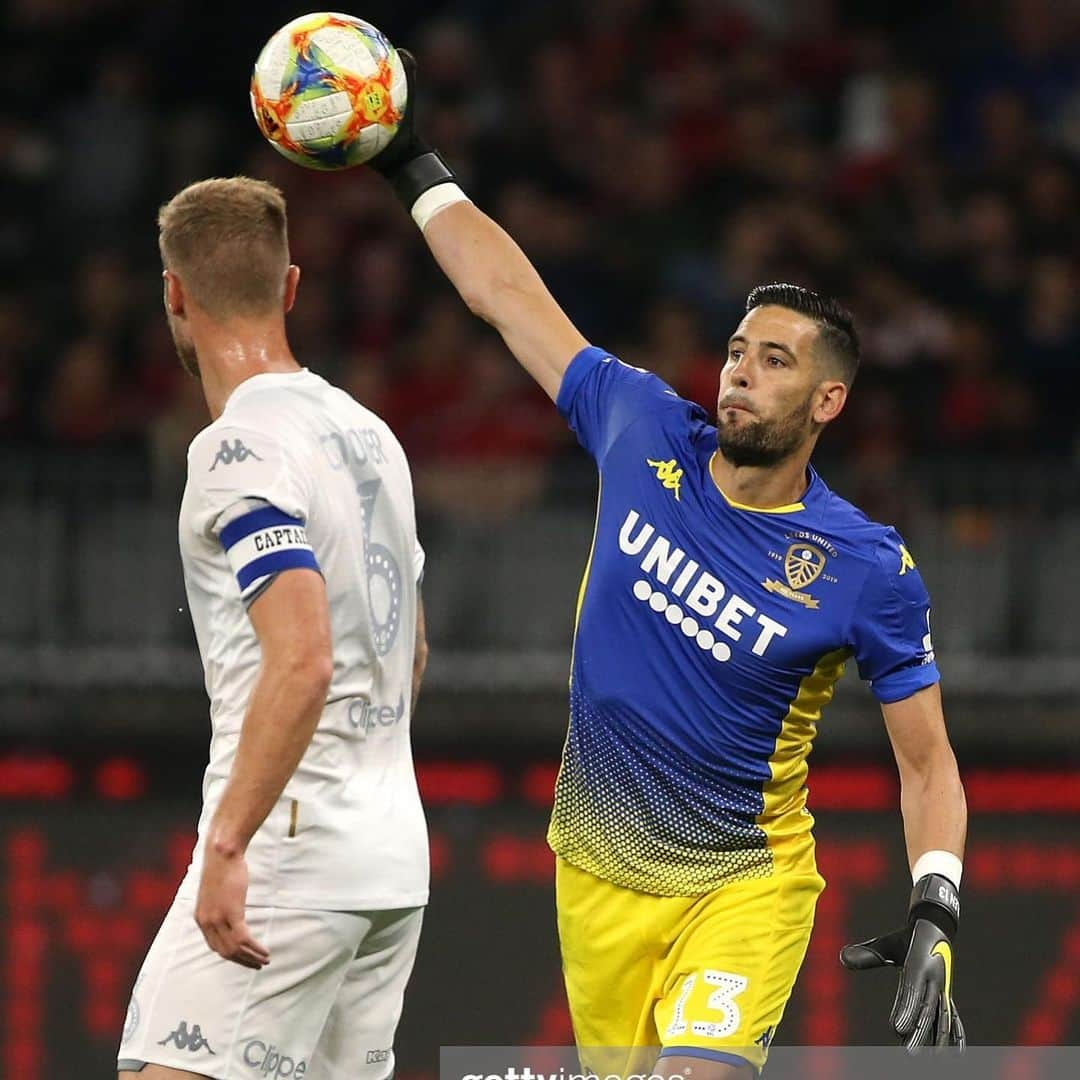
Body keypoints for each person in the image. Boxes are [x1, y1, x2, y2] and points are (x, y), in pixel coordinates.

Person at [366, 58, 967, 1076]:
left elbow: (927, 762)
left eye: (777, 360)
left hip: (745, 887)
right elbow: (504, 295)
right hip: (594, 875)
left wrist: (936, 903)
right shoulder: (640, 427)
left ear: (828, 403)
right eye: (739, 348)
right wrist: (408, 160)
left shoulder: (867, 567)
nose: (742, 368)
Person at [118, 177, 429, 1080]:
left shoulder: (234, 450)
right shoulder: (370, 433)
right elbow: (407, 649)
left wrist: (227, 843)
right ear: (290, 285)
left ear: (174, 294)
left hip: (289, 857)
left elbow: (303, 660)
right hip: (390, 860)